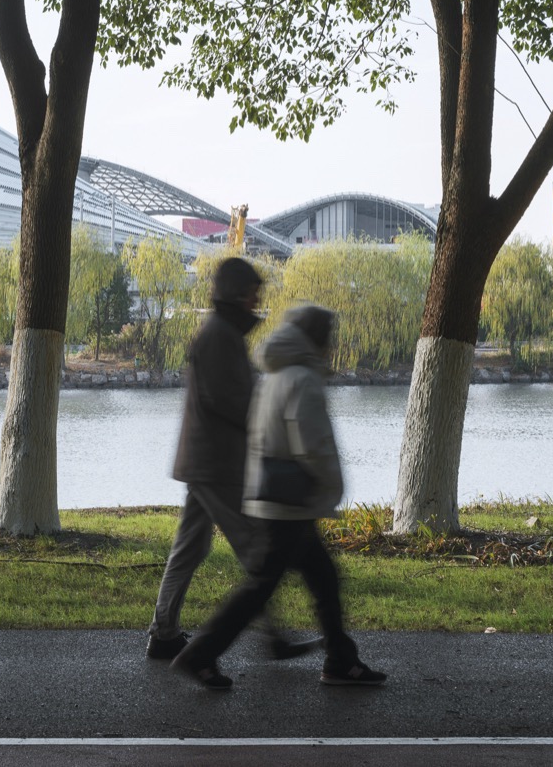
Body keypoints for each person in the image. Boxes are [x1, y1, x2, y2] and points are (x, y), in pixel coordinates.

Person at [172, 304, 386, 689]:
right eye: (329, 337)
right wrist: (331, 486)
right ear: (318, 339)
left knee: (322, 578)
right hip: (291, 501)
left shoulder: (273, 375)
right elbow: (312, 445)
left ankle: (341, 658)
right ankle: (200, 654)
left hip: (274, 496)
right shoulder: (302, 379)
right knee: (262, 586)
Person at [146, 257, 314, 661]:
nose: (259, 298)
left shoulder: (222, 333)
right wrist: (265, 422)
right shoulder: (220, 335)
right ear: (238, 293)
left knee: (190, 547)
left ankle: (163, 633)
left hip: (204, 460)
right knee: (254, 546)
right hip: (216, 464)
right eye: (254, 291)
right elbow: (225, 399)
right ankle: (274, 638)